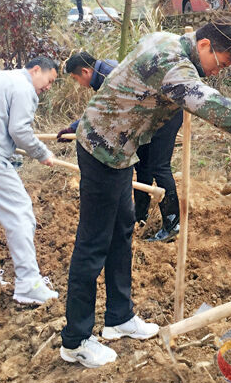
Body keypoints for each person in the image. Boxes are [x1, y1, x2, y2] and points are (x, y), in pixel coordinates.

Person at [59, 20, 231, 368]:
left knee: (121, 233)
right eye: (218, 63)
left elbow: (121, 82)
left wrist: (92, 116)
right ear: (203, 45)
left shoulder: (164, 40)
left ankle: (119, 317)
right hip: (102, 150)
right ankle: (76, 339)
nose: (217, 72)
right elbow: (203, 99)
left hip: (118, 148)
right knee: (93, 242)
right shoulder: (171, 61)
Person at [58, 52, 183, 242]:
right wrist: (73, 129)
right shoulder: (104, 72)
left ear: (85, 71)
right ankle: (140, 217)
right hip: (145, 117)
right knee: (142, 166)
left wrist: (75, 128)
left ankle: (173, 224)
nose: (79, 84)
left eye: (76, 79)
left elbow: (100, 112)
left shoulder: (109, 75)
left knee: (159, 166)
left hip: (164, 116)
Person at [0, 57, 60, 304]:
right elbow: (19, 131)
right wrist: (42, 153)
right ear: (36, 69)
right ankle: (28, 283)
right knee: (20, 213)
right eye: (49, 80)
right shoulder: (24, 88)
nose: (48, 86)